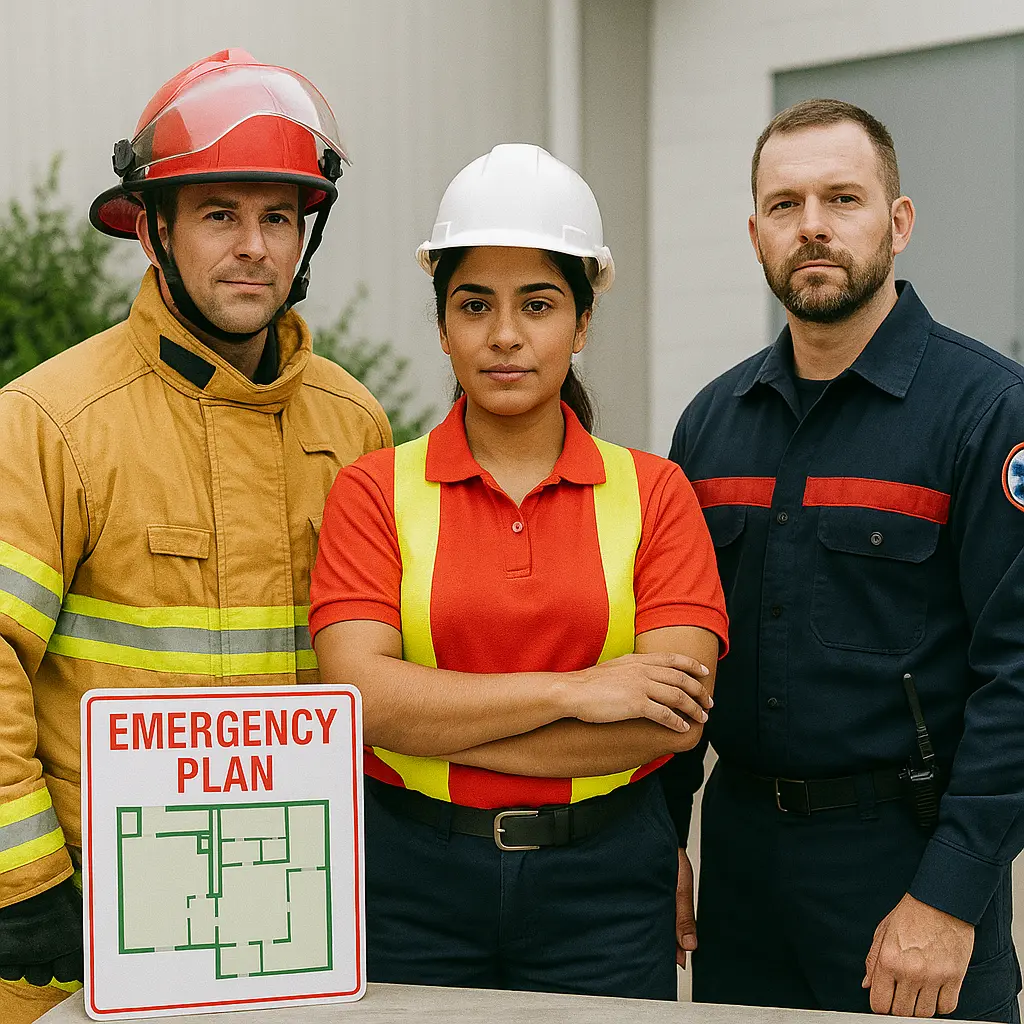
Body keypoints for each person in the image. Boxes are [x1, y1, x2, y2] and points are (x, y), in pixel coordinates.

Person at [0, 49, 391, 1023]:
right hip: (84, 931)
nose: (254, 245)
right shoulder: (49, 421)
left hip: (297, 919)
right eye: (220, 213)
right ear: (154, 231)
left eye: (278, 216)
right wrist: (24, 882)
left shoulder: (355, 427)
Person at [310, 143, 728, 999]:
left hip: (606, 888)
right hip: (408, 882)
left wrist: (432, 715)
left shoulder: (656, 493)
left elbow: (667, 723)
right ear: (442, 326)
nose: (505, 335)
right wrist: (577, 690)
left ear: (580, 324)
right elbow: (361, 706)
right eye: (475, 305)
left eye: (537, 305)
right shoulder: (373, 491)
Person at [664, 98, 1024, 1020]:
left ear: (898, 223)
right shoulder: (711, 425)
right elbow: (673, 658)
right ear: (755, 234)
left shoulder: (988, 413)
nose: (812, 226)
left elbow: (1017, 678)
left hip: (904, 864)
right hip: (743, 873)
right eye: (785, 205)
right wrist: (660, 844)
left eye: (843, 198)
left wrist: (952, 894)